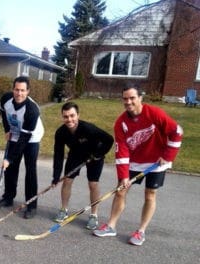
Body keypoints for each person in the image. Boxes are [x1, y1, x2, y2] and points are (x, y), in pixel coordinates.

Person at [93, 85, 183, 246]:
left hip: (157, 162)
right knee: (121, 191)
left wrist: (168, 156)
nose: (128, 102)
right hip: (134, 162)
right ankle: (111, 226)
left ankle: (141, 231)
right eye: (125, 99)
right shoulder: (121, 122)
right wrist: (124, 176)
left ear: (140, 98)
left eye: (132, 98)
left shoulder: (154, 113)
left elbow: (177, 131)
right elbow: (121, 150)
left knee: (150, 194)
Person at [51, 102, 114, 230]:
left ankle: (93, 215)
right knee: (67, 180)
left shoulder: (88, 128)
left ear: (78, 115)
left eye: (72, 116)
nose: (69, 119)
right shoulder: (60, 132)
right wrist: (56, 176)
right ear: (62, 117)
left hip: (95, 155)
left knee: (93, 184)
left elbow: (109, 139)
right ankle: (64, 210)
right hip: (76, 155)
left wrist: (99, 154)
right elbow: (58, 155)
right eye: (66, 116)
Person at [0, 76, 44, 219]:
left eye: (23, 91)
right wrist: (7, 129)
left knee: (30, 170)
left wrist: (9, 158)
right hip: (16, 132)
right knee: (11, 169)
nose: (19, 94)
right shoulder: (6, 99)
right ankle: (8, 197)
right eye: (17, 90)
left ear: (28, 91)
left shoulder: (32, 110)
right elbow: (3, 112)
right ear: (13, 89)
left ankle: (31, 205)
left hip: (31, 137)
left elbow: (24, 139)